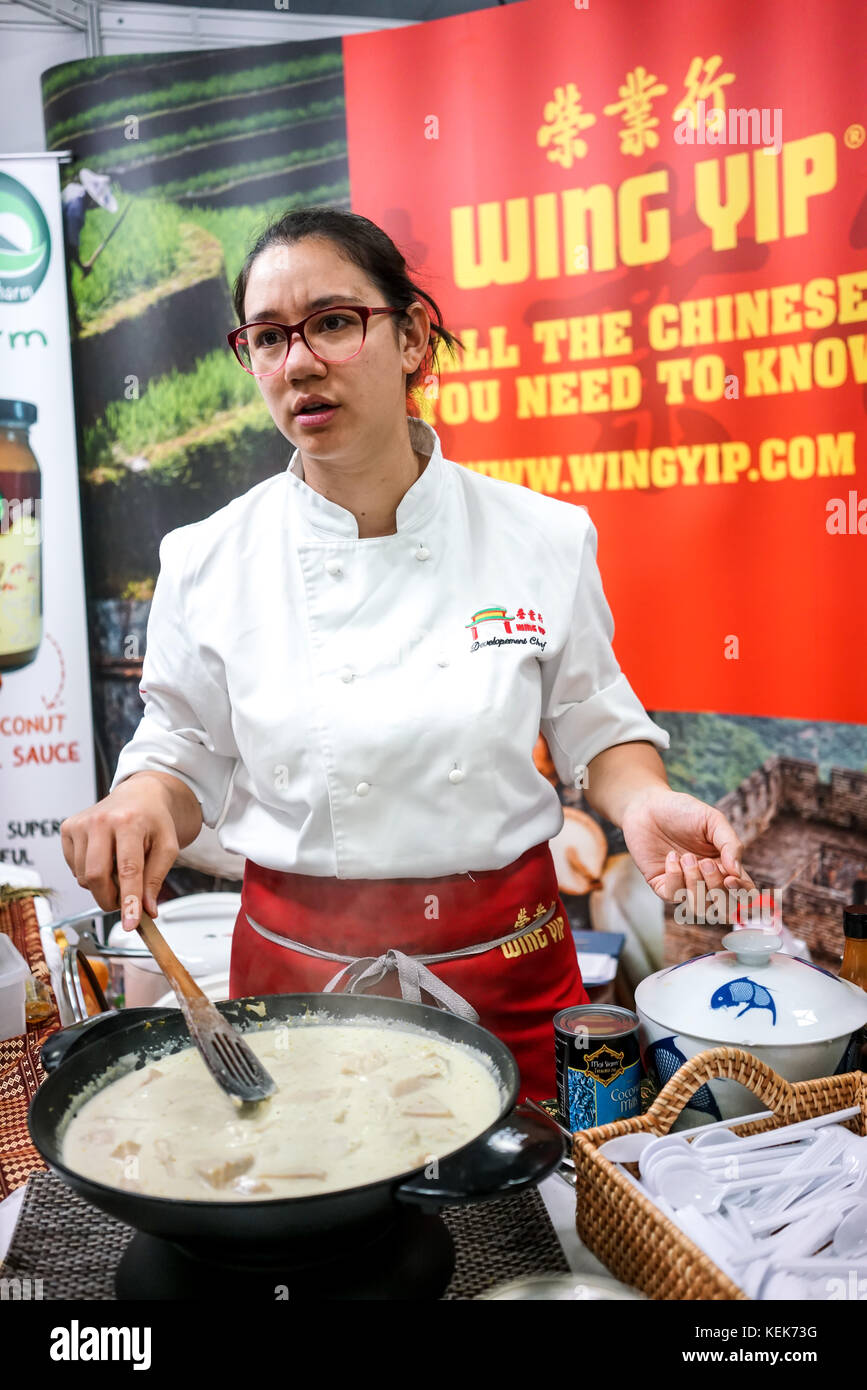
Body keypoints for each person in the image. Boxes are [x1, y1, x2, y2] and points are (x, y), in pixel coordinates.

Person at [60, 207, 755, 1101]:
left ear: (414, 338)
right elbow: (183, 753)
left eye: (334, 322)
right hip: (296, 985)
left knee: (525, 1226)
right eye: (267, 338)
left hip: (502, 975)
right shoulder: (206, 558)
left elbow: (593, 723)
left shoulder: (540, 536)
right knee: (306, 1207)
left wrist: (646, 800)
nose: (298, 362)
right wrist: (139, 801)